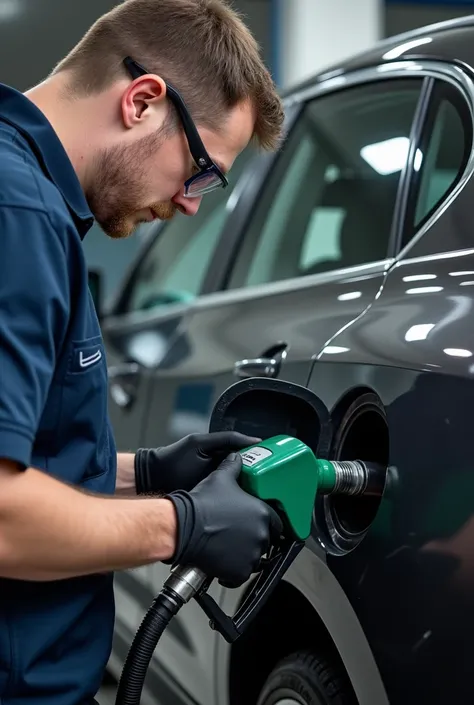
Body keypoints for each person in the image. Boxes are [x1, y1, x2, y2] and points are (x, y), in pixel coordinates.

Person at [0, 1, 285, 703]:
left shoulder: (27, 196)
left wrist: (147, 473)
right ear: (143, 101)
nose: (191, 204)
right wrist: (180, 525)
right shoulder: (20, 218)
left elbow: (29, 454)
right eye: (200, 169)